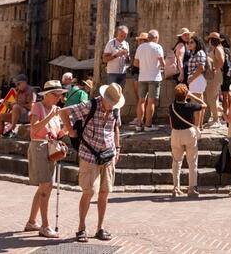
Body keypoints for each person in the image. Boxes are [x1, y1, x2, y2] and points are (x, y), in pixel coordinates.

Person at [61, 83, 124, 243]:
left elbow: (115, 128)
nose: (111, 106)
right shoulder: (90, 105)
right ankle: (81, 228)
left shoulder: (115, 108)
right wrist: (70, 130)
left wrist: (117, 148)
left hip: (108, 156)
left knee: (105, 192)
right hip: (89, 155)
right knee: (88, 192)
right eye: (109, 102)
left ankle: (100, 228)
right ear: (103, 97)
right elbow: (63, 112)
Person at [25, 80, 68, 239]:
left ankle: (31, 222)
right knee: (47, 186)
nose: (59, 98)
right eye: (56, 95)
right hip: (39, 147)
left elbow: (55, 133)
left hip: (50, 149)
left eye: (60, 95)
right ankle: (44, 226)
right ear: (47, 95)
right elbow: (34, 129)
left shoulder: (56, 110)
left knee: (44, 187)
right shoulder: (38, 107)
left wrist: (63, 132)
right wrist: (50, 116)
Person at [168, 83, 205, 197]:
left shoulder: (172, 106)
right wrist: (193, 96)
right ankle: (192, 188)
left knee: (176, 162)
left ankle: (176, 188)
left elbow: (170, 122)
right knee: (192, 162)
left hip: (175, 133)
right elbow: (204, 105)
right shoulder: (190, 106)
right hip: (189, 133)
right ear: (186, 95)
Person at [133, 29, 164, 131]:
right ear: (155, 38)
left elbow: (135, 64)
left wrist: (145, 66)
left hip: (142, 77)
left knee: (141, 101)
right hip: (154, 77)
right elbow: (162, 63)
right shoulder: (158, 47)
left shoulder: (140, 47)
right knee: (151, 102)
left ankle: (138, 124)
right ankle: (148, 125)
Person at [205, 32, 227, 125]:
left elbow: (221, 60)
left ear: (211, 40)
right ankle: (219, 115)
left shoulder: (217, 49)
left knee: (211, 98)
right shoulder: (217, 48)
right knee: (212, 97)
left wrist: (215, 69)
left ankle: (215, 119)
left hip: (215, 75)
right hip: (214, 75)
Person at [185, 35, 207, 126]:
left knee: (196, 105)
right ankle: (199, 125)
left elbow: (201, 68)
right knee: (199, 103)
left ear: (197, 43)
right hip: (196, 79)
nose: (189, 44)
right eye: (188, 42)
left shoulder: (199, 53)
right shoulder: (195, 53)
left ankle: (196, 126)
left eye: (191, 42)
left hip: (197, 79)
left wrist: (192, 78)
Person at [130, 32, 148, 128]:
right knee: (139, 98)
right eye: (139, 40)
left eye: (142, 40)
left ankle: (140, 118)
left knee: (141, 98)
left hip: (140, 74)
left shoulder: (143, 49)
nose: (140, 41)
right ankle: (140, 117)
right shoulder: (140, 49)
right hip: (137, 74)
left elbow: (137, 63)